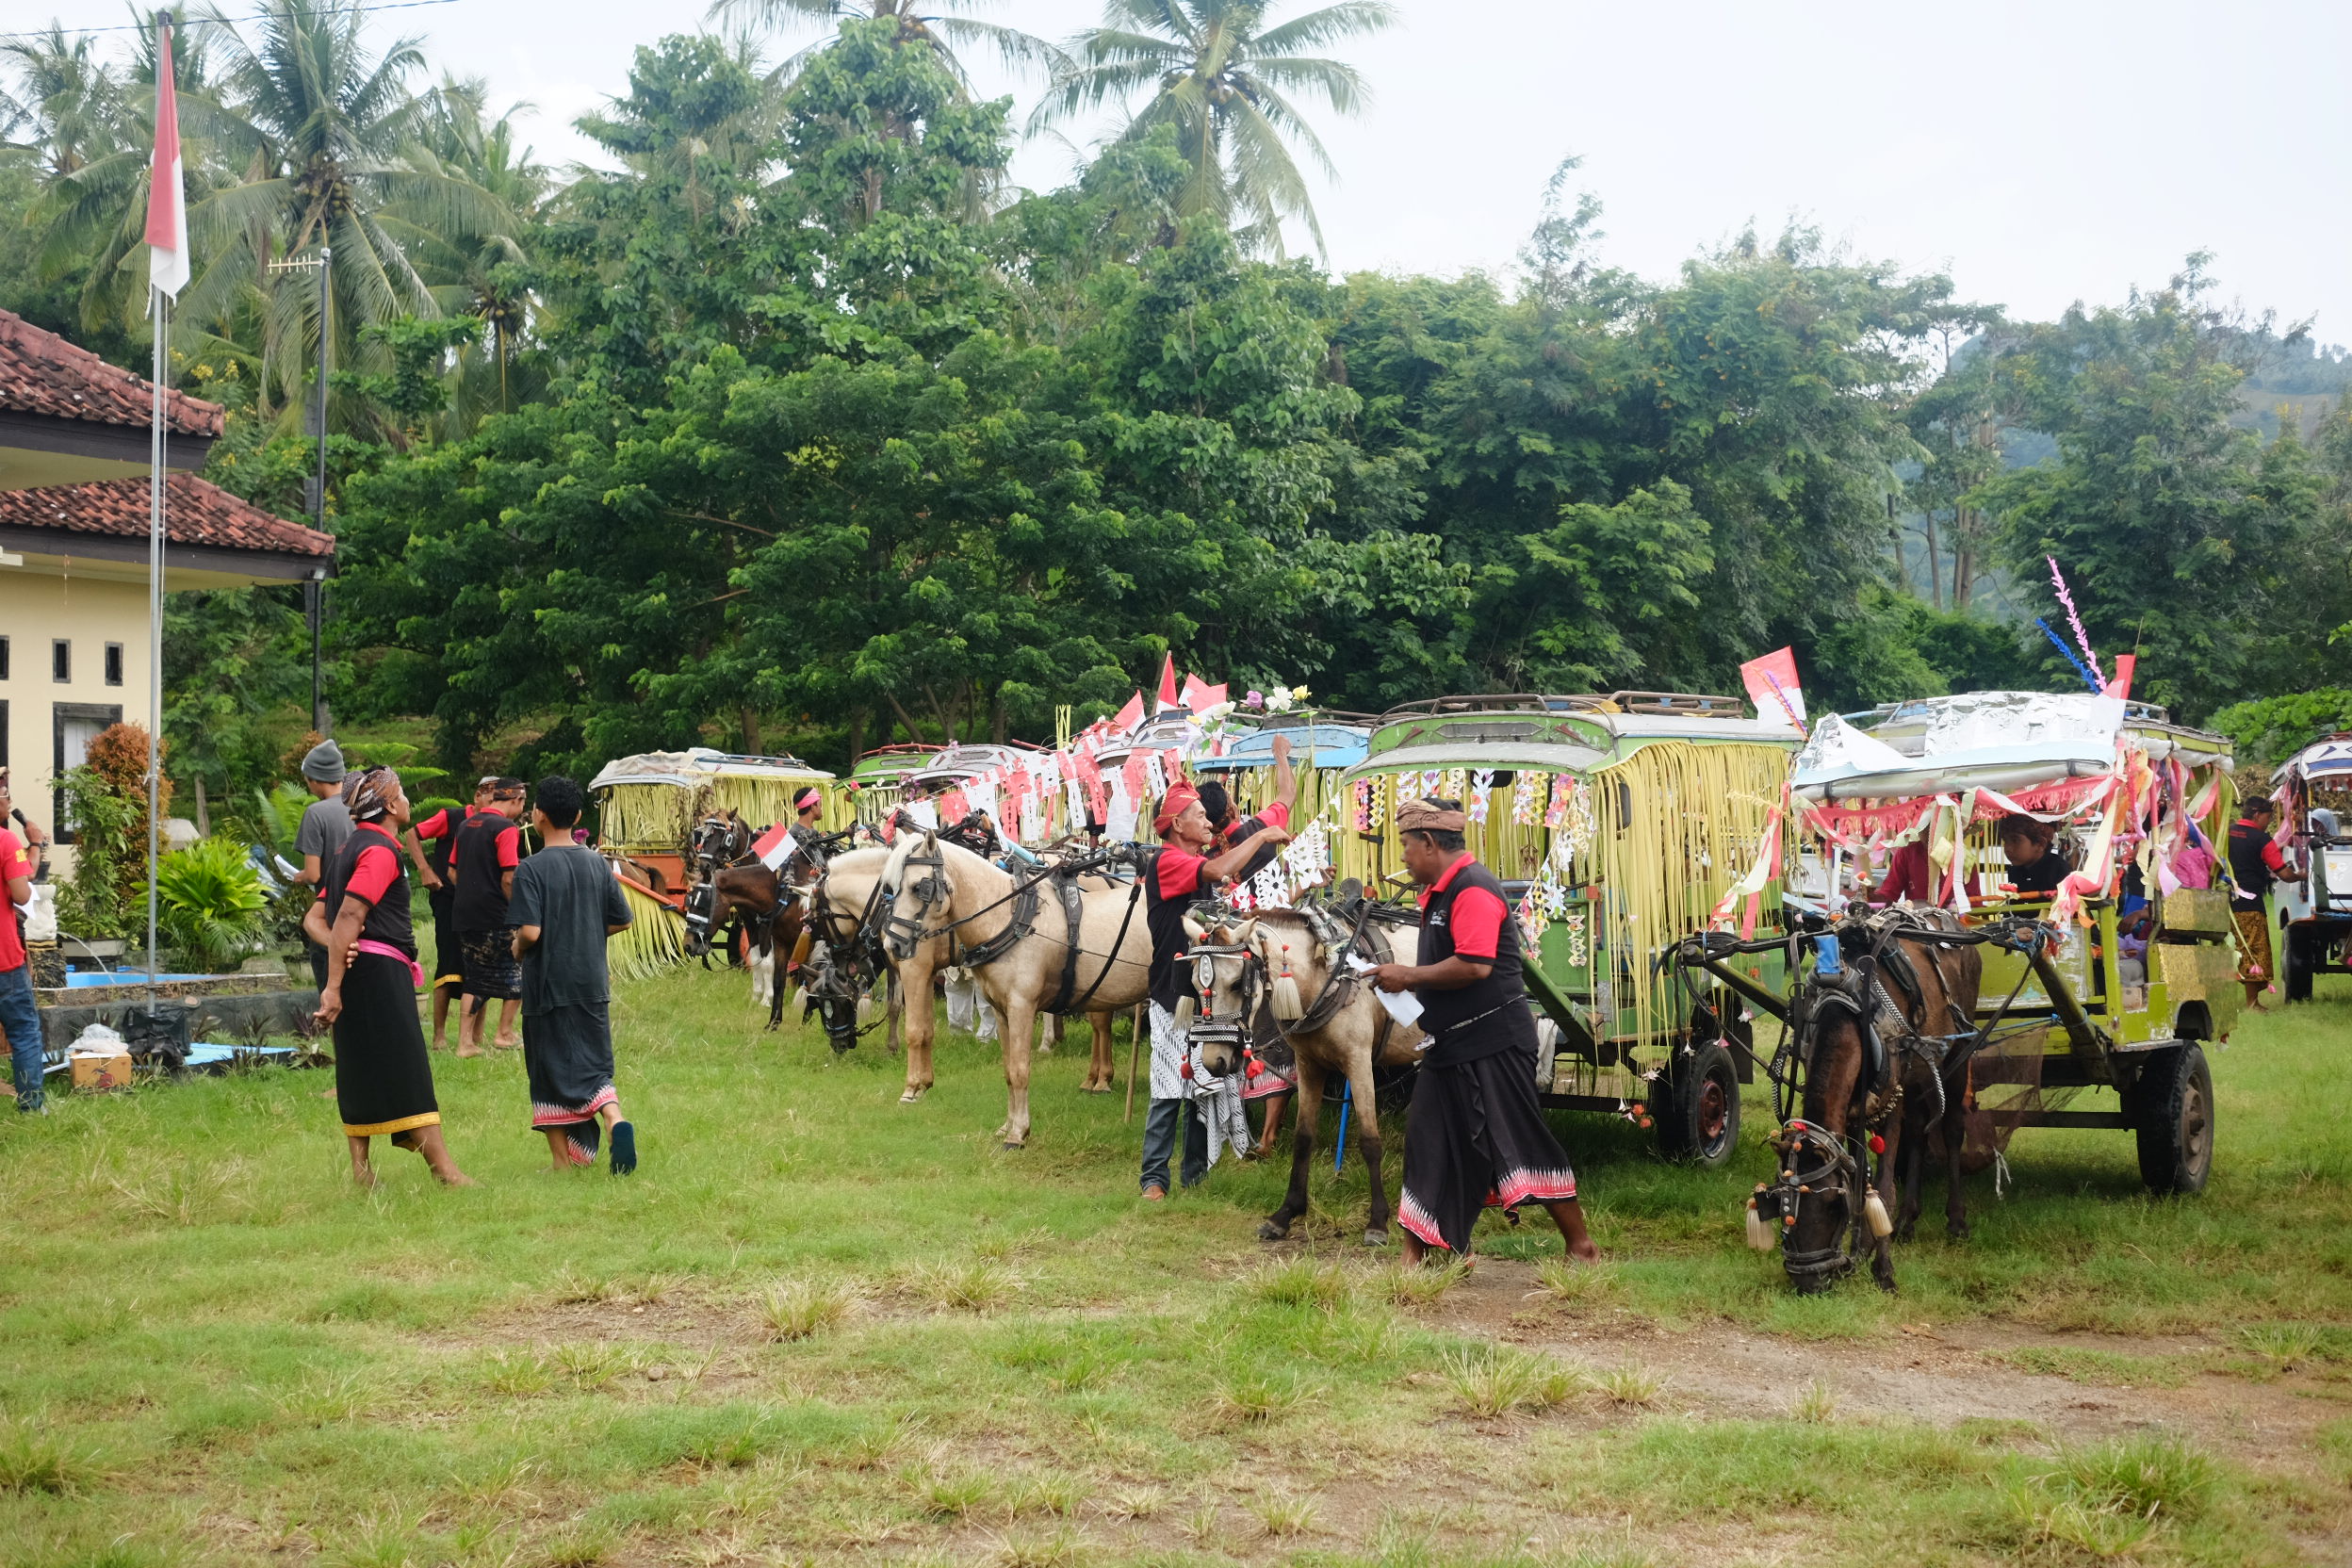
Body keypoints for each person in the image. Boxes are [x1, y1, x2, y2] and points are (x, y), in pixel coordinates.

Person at [1371, 797, 1598, 1266]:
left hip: (1496, 1041)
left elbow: (1474, 966)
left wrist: (1407, 976)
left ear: (1429, 843)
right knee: (1426, 1142)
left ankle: (1581, 1246)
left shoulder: (1472, 888)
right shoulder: (1438, 892)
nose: (1403, 856)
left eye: (1406, 845)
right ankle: (1422, 1255)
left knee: (1520, 1138)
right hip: (1448, 1044)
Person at [306, 768, 472, 1187]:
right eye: (402, 795)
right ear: (390, 806)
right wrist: (333, 984)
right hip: (378, 976)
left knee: (358, 1067)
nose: (408, 801)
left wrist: (340, 950)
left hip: (359, 972)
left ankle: (362, 1173)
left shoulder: (347, 849)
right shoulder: (379, 851)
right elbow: (349, 913)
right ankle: (444, 1170)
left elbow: (314, 920)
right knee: (408, 1067)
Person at [1139, 778, 1290, 1200]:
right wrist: (1261, 836)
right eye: (1200, 816)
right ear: (1176, 824)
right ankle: (1154, 1178)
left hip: (1209, 996)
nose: (1209, 822)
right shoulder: (1167, 861)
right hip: (1174, 994)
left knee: (1202, 1088)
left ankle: (1195, 1175)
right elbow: (1218, 870)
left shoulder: (1194, 859)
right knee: (1168, 1085)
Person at [510, 776, 638, 1174]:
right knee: (594, 1062)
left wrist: (516, 948)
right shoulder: (597, 864)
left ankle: (561, 1163)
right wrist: (587, 932)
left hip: (547, 985)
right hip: (592, 983)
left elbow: (530, 932)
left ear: (538, 815)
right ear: (579, 816)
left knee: (547, 1067)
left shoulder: (530, 869)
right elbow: (622, 919)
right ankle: (615, 1118)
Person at [1199, 734, 1301, 1149]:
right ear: (1232, 807)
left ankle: (1232, 1120)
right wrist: (1281, 756)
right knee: (1275, 1029)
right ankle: (1269, 1134)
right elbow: (1288, 793)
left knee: (1235, 1026)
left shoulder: (1205, 857)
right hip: (1271, 942)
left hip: (1228, 951)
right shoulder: (1257, 828)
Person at [403, 780, 490, 1052]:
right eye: (492, 797)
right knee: (449, 961)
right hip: (448, 898)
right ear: (478, 796)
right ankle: (439, 1035)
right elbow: (411, 834)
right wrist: (424, 869)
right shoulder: (450, 817)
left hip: (482, 903)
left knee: (481, 963)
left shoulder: (497, 825)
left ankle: (477, 1035)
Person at [452, 778, 527, 1054]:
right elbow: (508, 878)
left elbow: (451, 871)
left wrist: (471, 893)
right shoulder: (506, 828)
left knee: (475, 977)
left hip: (465, 914)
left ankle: (464, 1043)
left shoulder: (466, 825)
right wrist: (519, 911)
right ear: (516, 801)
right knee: (517, 970)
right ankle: (504, 1033)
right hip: (496, 915)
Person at [0, 770, 47, 1114]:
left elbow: (21, 873)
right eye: (5, 794)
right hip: (4, 962)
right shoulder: (5, 841)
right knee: (24, 1032)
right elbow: (22, 892)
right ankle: (32, 1106)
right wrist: (36, 844)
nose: (9, 801)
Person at [291, 739, 352, 988]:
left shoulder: (316, 813)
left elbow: (314, 874)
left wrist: (299, 876)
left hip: (330, 912)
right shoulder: (358, 807)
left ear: (316, 779)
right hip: (362, 908)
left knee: (330, 986)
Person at [2228, 796, 2295, 1010]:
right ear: (2257, 815)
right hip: (2250, 904)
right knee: (2253, 950)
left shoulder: (2226, 832)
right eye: (2268, 817)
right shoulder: (2262, 839)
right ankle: (2252, 1003)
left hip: (2224, 901)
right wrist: (2301, 875)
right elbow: (2283, 873)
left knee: (2231, 949)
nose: (2268, 822)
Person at [1997, 814, 2071, 896]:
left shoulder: (2059, 869)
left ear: (2040, 844)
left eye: (2015, 840)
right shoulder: (2016, 870)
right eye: (2006, 841)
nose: (2008, 848)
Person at [1870, 839, 1934, 905]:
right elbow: (1889, 892)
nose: (1930, 835)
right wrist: (1869, 895)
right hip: (1917, 910)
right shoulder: (1906, 852)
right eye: (1926, 832)